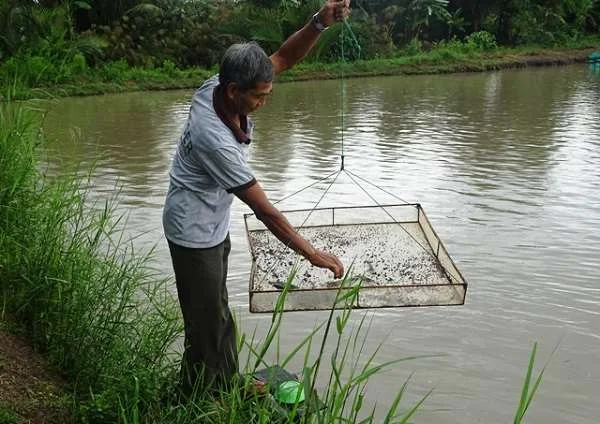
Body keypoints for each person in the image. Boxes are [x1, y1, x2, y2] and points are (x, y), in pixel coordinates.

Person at [162, 0, 350, 397]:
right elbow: (264, 209)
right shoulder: (213, 138)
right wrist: (311, 253)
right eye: (260, 96)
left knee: (215, 314)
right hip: (193, 233)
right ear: (233, 91)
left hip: (211, 222)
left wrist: (319, 23)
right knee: (207, 324)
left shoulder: (226, 84)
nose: (265, 101)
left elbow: (282, 56)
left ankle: (222, 386)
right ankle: (201, 400)